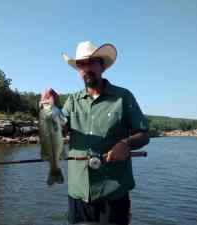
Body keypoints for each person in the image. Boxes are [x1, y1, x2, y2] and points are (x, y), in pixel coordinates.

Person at [53, 41, 149, 225]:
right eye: (81, 64)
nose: (86, 68)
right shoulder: (72, 101)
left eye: (91, 62)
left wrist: (125, 144)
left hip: (113, 193)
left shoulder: (123, 97)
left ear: (102, 66)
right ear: (77, 69)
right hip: (78, 193)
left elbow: (144, 134)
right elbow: (58, 131)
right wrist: (52, 108)